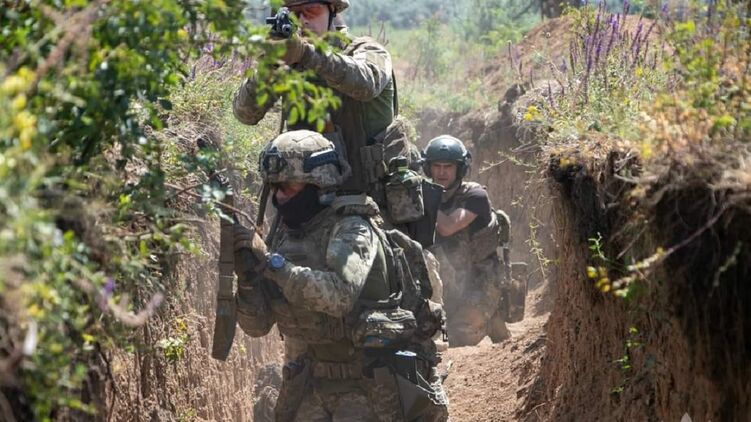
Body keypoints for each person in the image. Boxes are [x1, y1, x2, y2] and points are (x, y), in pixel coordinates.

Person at [233, 130, 448, 421]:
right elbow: (257, 326)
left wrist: (272, 263)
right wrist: (247, 279)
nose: (279, 196)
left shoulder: (353, 228)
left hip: (370, 384)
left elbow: (338, 296)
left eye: (289, 186)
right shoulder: (283, 237)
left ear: (319, 183)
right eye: (275, 187)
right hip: (313, 382)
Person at [233, 0, 396, 196]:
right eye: (294, 14)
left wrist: (306, 54)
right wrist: (272, 65)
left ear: (332, 10)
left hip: (366, 197)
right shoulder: (291, 61)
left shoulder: (367, 50)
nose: (302, 20)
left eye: (311, 11)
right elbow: (245, 114)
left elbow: (367, 84)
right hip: (305, 199)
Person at [423, 135, 510, 347]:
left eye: (448, 167)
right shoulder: (426, 194)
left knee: (457, 337)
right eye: (436, 166)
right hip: (447, 283)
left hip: (480, 280)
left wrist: (422, 198)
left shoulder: (475, 195)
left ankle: (491, 319)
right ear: (428, 168)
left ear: (460, 169)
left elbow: (447, 226)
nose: (442, 172)